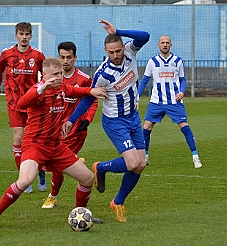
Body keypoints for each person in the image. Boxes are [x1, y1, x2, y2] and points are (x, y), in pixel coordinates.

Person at [0, 57, 108, 228]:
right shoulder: (38, 90)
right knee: (25, 180)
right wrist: (42, 88)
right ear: (45, 74)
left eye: (61, 73)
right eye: (55, 74)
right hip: (35, 145)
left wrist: (91, 91)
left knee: (87, 178)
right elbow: (22, 102)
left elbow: (73, 91)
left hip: (56, 146)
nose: (60, 77)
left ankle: (80, 214)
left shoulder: (61, 87)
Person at [63, 19, 150, 223]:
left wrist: (118, 30)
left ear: (122, 47)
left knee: (141, 165)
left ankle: (116, 201)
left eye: (118, 51)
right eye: (111, 52)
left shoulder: (130, 51)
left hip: (133, 118)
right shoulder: (102, 74)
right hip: (115, 121)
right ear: (105, 51)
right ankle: (101, 168)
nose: (116, 55)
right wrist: (72, 119)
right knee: (133, 162)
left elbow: (144, 36)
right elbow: (89, 97)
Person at [0, 22, 46, 193]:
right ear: (16, 35)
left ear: (31, 36)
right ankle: (24, 178)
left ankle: (41, 171)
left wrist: (43, 92)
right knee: (18, 137)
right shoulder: (6, 54)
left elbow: (46, 74)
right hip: (13, 103)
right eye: (21, 34)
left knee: (35, 139)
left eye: (27, 34)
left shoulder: (37, 55)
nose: (24, 37)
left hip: (32, 103)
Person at [41, 42, 98, 209]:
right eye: (62, 57)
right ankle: (77, 163)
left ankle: (53, 197)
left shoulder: (84, 79)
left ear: (75, 58)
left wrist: (87, 120)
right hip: (54, 129)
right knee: (55, 163)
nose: (65, 61)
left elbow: (91, 100)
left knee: (59, 165)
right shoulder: (52, 78)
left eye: (69, 57)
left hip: (75, 130)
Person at [138, 35, 202, 168]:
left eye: (167, 43)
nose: (165, 45)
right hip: (156, 101)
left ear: (171, 45)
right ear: (158, 45)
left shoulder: (177, 61)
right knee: (147, 126)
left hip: (174, 101)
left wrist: (182, 91)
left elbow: (183, 79)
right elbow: (144, 80)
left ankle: (195, 157)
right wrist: (136, 97)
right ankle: (145, 156)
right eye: (163, 43)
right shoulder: (152, 61)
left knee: (184, 126)